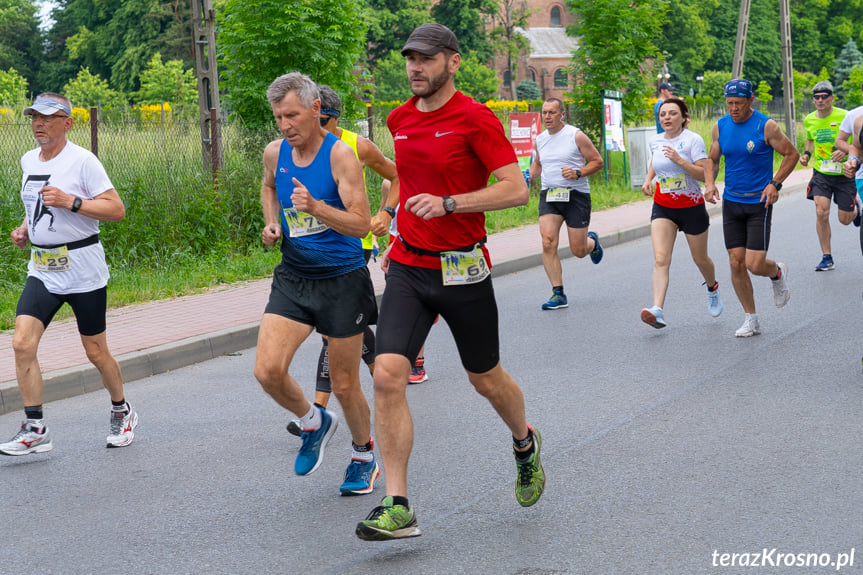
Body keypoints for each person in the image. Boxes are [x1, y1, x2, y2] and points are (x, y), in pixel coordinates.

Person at [355, 23, 544, 541]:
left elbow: (514, 190)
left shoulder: (476, 119)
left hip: (463, 267)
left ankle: (524, 442)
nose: (415, 67)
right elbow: (410, 177)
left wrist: (450, 204)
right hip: (411, 266)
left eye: (426, 58)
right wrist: (391, 211)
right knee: (388, 374)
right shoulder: (398, 118)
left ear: (453, 62)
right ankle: (398, 505)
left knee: (485, 379)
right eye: (410, 58)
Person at [254, 72, 379, 495]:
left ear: (315, 110)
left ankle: (363, 453)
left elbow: (361, 223)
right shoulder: (275, 153)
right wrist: (272, 222)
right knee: (268, 371)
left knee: (344, 384)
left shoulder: (341, 155)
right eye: (278, 117)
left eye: (291, 115)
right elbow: (269, 187)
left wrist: (317, 208)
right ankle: (314, 421)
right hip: (294, 276)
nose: (285, 125)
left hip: (342, 280)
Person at [0, 93, 137, 456]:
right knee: (21, 343)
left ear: (68, 123)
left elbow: (116, 209)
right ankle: (35, 427)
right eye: (34, 117)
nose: (38, 124)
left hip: (82, 269)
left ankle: (122, 410)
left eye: (47, 118)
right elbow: (36, 205)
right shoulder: (29, 159)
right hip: (43, 268)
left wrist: (72, 201)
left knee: (95, 351)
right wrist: (26, 229)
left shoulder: (83, 161)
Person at [284, 85, 401, 437]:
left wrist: (386, 212)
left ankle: (319, 412)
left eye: (320, 122)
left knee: (330, 332)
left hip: (351, 245)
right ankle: (384, 369)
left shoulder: (356, 146)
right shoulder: (292, 150)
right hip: (309, 251)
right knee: (343, 330)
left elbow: (397, 176)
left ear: (332, 118)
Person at [704, 79, 798, 337]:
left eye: (739, 103)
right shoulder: (720, 127)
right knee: (736, 263)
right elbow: (712, 159)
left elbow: (792, 154)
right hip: (732, 203)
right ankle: (751, 319)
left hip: (759, 202)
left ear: (751, 100)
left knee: (754, 264)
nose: (733, 108)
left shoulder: (765, 125)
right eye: (730, 103)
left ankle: (776, 273)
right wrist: (710, 183)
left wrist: (775, 184)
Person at [639, 97, 723, 328]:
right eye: (663, 114)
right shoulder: (655, 141)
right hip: (664, 206)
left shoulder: (692, 140)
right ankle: (657, 309)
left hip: (692, 207)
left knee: (700, 259)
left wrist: (679, 160)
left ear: (684, 118)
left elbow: (703, 173)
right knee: (661, 259)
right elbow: (656, 162)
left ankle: (712, 287)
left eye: (672, 113)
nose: (667, 117)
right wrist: (648, 179)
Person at [528, 97, 604, 311]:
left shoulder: (575, 135)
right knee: (547, 241)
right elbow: (538, 163)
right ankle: (558, 293)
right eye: (544, 113)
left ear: (562, 114)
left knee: (578, 250)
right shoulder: (540, 139)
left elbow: (597, 161)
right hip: (550, 196)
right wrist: (529, 177)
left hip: (576, 195)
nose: (547, 117)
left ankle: (592, 243)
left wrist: (578, 172)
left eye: (552, 112)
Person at [800, 80, 860, 271]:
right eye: (816, 97)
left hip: (845, 172)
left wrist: (846, 152)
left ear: (832, 98)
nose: (820, 100)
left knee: (845, 219)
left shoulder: (845, 115)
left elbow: (854, 141)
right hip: (822, 172)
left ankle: (856, 210)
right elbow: (810, 139)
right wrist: (806, 154)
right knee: (821, 211)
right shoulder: (809, 119)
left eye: (824, 96)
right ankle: (827, 256)